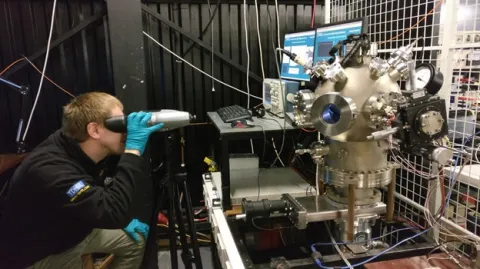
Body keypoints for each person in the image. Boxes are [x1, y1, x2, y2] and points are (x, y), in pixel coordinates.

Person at [0, 92, 163, 269]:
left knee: (134, 241)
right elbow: (112, 213)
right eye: (119, 124)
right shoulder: (51, 170)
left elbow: (99, 202)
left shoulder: (78, 144)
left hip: (70, 229)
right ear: (93, 130)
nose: (127, 130)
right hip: (39, 252)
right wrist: (132, 151)